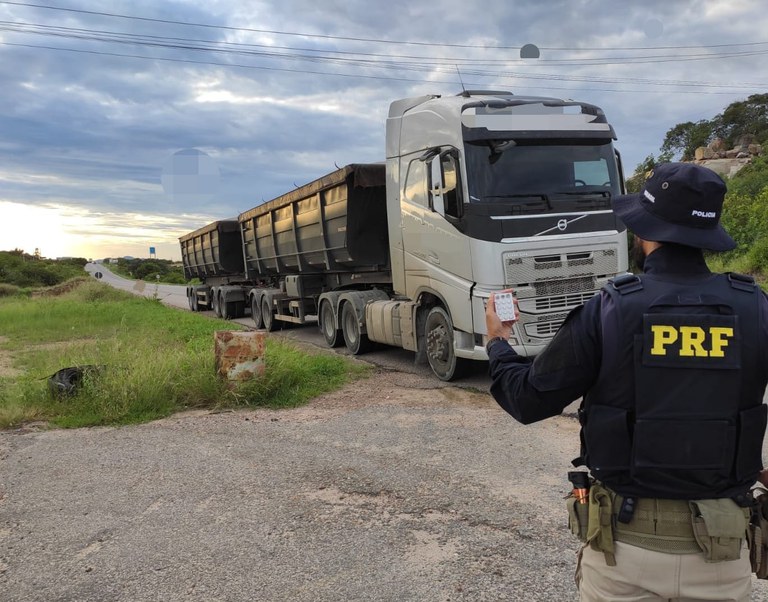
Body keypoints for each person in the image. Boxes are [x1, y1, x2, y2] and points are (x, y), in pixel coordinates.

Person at [485, 162, 768, 601]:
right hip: (723, 551)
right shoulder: (756, 309)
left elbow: (526, 400)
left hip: (625, 550)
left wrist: (499, 343)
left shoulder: (611, 308)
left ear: (646, 232)